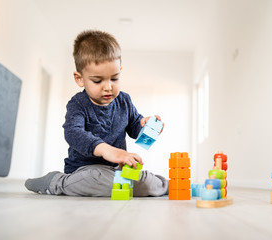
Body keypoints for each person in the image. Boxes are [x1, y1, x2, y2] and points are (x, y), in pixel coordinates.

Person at [25, 30, 168, 197]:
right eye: (98, 81)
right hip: (85, 170)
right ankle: (54, 181)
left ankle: (166, 185)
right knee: (96, 179)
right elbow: (73, 133)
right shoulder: (78, 104)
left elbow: (135, 128)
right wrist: (107, 150)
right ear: (80, 79)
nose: (108, 87)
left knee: (144, 183)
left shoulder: (124, 101)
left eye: (114, 78)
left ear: (120, 71)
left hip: (117, 169)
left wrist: (146, 126)